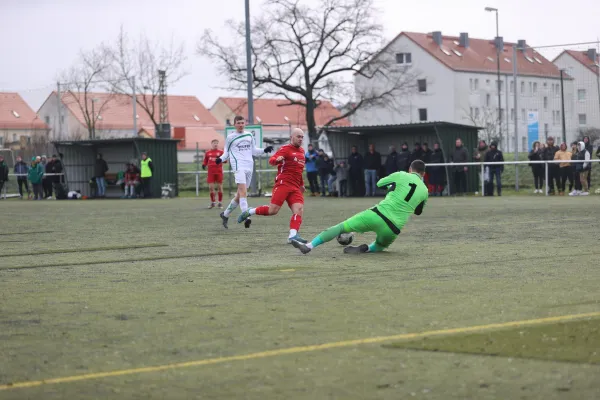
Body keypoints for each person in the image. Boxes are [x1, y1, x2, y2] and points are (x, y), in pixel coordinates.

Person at [291, 160, 428, 255]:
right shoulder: (425, 191)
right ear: (423, 174)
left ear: (410, 169)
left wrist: (391, 187)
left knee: (341, 227)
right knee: (380, 246)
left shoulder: (401, 175)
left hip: (377, 215)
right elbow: (418, 211)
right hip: (394, 228)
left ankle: (309, 246)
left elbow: (380, 183)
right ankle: (368, 248)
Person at [238, 128, 306, 243]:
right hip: (283, 184)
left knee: (299, 209)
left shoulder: (302, 152)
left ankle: (292, 236)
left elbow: (299, 170)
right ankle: (250, 211)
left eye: (302, 137)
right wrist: (277, 160)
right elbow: (272, 160)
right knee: (272, 211)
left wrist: (301, 184)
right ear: (291, 137)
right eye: (298, 136)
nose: (300, 139)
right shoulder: (285, 149)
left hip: (295, 187)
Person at [217, 115, 273, 229]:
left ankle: (225, 214)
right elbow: (226, 152)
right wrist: (220, 159)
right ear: (234, 124)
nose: (241, 125)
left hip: (249, 166)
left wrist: (264, 150)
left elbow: (254, 150)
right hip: (238, 166)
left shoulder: (249, 135)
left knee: (239, 195)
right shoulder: (230, 137)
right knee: (243, 193)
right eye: (238, 123)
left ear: (244, 124)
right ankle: (247, 217)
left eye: (242, 123)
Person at [202, 139, 225, 208]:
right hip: (210, 172)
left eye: (217, 143)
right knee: (211, 188)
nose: (215, 144)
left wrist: (220, 159)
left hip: (219, 172)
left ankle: (220, 203)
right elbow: (205, 161)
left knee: (219, 187)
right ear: (211, 144)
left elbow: (225, 160)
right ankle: (213, 202)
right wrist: (204, 165)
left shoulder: (221, 152)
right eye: (214, 143)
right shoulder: (208, 153)